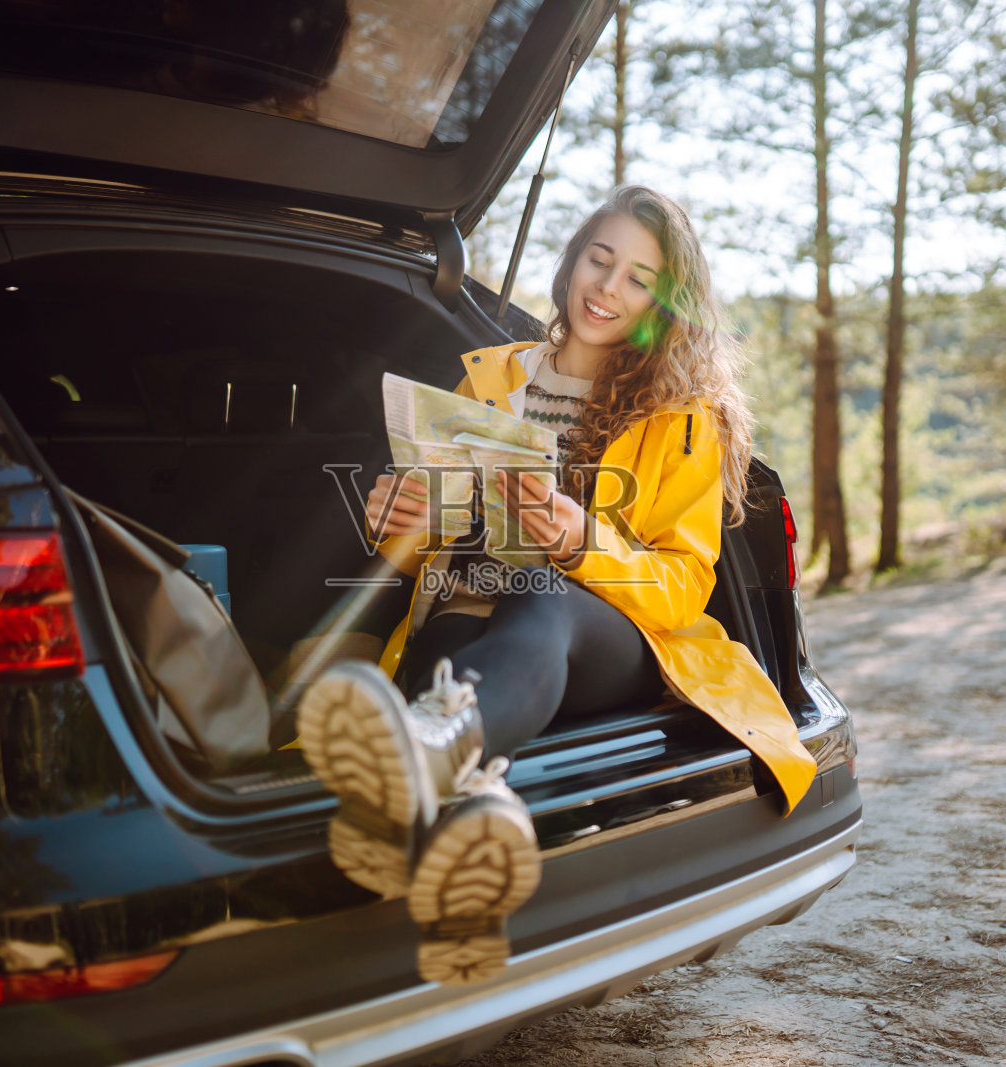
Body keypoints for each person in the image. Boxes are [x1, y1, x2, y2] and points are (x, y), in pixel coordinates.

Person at [296, 186, 817, 986]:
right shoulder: (490, 378)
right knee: (444, 634)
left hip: (614, 636)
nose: (608, 288)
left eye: (639, 278)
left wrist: (581, 539)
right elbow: (439, 538)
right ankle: (468, 846)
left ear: (664, 303)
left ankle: (430, 754)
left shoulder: (685, 415)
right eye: (598, 260)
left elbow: (683, 586)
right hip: (475, 616)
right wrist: (395, 518)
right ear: (571, 261)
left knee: (540, 595)